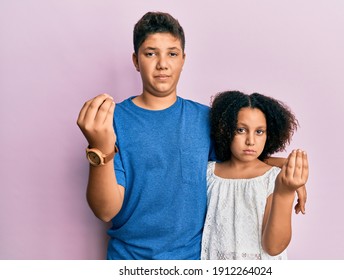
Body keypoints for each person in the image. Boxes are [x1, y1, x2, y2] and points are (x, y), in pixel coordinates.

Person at [77, 11, 307, 260]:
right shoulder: (113, 120)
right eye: (150, 53)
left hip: (192, 260)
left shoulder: (206, 119)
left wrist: (287, 170)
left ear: (183, 59)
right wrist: (99, 148)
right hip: (128, 259)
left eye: (172, 53)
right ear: (136, 60)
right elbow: (106, 211)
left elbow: (242, 159)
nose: (162, 63)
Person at [201, 90, 309, 260]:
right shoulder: (208, 174)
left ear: (269, 134)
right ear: (225, 130)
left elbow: (274, 247)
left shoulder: (273, 178)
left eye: (259, 132)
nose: (250, 141)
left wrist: (285, 192)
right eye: (241, 130)